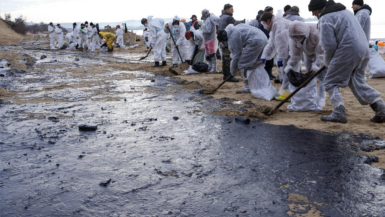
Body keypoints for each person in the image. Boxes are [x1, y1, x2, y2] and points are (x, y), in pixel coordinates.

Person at [308, 0, 385, 123]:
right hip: (364, 49)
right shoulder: (345, 12)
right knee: (356, 81)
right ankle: (381, 108)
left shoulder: (325, 18)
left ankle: (339, 112)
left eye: (312, 11)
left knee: (330, 81)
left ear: (318, 9)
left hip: (348, 50)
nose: (313, 14)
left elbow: (329, 46)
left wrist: (328, 63)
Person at [217, 24, 278, 99]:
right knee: (256, 64)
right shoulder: (235, 28)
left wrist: (232, 71)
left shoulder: (232, 38)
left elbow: (236, 56)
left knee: (243, 64)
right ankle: (259, 84)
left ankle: (248, 86)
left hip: (255, 42)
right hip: (264, 38)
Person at [285, 21, 326, 111]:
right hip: (308, 54)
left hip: (322, 54)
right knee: (310, 75)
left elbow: (321, 53)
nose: (298, 38)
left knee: (322, 77)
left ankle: (320, 101)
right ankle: (310, 100)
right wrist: (290, 65)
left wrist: (317, 65)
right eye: (295, 37)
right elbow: (295, 54)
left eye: (300, 37)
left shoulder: (316, 33)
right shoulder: (293, 38)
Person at [260, 12, 292, 101]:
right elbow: (271, 43)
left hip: (291, 50)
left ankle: (286, 95)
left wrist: (280, 57)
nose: (264, 26)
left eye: (264, 23)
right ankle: (286, 93)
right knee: (286, 72)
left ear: (268, 20)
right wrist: (264, 56)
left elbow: (281, 43)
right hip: (288, 50)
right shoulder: (275, 25)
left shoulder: (279, 24)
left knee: (288, 72)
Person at [218, 4, 241, 82]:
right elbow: (236, 26)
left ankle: (225, 76)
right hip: (227, 41)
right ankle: (229, 76)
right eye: (231, 9)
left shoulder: (221, 17)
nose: (233, 10)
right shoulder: (229, 18)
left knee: (225, 59)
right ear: (227, 10)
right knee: (229, 59)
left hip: (221, 41)